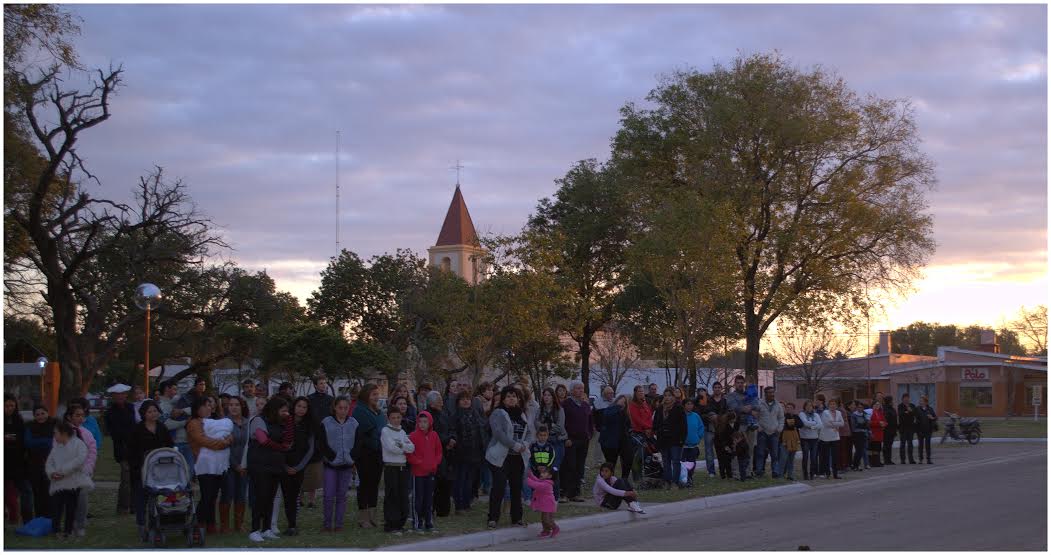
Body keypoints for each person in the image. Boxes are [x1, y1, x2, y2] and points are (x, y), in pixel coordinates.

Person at [246, 397, 293, 542]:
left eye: (287, 410)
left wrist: (289, 420)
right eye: (283, 410)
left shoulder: (282, 423)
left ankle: (266, 528)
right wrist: (282, 448)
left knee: (270, 498)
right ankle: (254, 529)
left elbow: (288, 440)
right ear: (274, 409)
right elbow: (263, 440)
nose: (285, 413)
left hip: (275, 465)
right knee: (260, 496)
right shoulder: (259, 420)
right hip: (260, 464)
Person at [485, 386, 533, 529]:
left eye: (514, 396)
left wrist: (525, 444)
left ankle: (517, 518)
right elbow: (499, 434)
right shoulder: (498, 413)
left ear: (518, 399)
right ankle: (493, 518)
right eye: (508, 396)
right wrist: (515, 445)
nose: (511, 399)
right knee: (499, 487)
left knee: (516, 487)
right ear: (504, 399)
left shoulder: (522, 414)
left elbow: (530, 433)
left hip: (517, 458)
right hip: (500, 457)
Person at [127, 400, 174, 538]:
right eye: (150, 411)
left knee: (159, 496)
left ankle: (157, 523)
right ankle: (141, 524)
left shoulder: (162, 427)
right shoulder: (137, 429)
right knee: (142, 498)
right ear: (144, 414)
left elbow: (170, 445)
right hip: (141, 469)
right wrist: (137, 466)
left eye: (155, 411)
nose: (153, 414)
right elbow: (131, 450)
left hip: (160, 469)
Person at [187, 396, 234, 534]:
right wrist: (222, 444)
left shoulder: (213, 421)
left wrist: (228, 439)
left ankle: (211, 524)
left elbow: (227, 434)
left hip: (218, 465)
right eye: (206, 405)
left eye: (210, 405)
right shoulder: (194, 423)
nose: (210, 408)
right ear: (198, 408)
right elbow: (202, 440)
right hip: (204, 465)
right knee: (207, 495)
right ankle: (199, 523)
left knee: (213, 496)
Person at [318, 396, 357, 532]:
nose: (343, 410)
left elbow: (358, 443)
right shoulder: (326, 422)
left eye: (345, 408)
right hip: (331, 465)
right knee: (328, 495)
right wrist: (331, 456)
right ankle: (327, 524)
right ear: (334, 407)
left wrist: (352, 456)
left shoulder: (354, 423)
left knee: (342, 495)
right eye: (340, 407)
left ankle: (339, 524)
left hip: (346, 465)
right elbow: (321, 443)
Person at [46, 421, 91, 538]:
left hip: (73, 482)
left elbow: (79, 461)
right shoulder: (56, 447)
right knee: (56, 507)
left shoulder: (79, 444)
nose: (54, 436)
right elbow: (49, 462)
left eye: (55, 433)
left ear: (64, 433)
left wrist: (62, 472)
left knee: (71, 508)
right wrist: (52, 473)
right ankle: (56, 530)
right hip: (57, 483)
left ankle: (68, 531)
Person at [278, 397, 314, 536]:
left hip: (299, 466)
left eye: (304, 407)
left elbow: (310, 449)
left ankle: (293, 525)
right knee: (287, 497)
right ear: (294, 407)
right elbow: (279, 445)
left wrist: (299, 467)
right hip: (284, 465)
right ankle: (287, 523)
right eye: (299, 406)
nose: (301, 409)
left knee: (295, 496)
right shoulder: (285, 423)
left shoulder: (308, 425)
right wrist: (285, 465)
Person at [352, 384, 385, 529]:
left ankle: (372, 516)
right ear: (366, 395)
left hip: (378, 452)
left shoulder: (379, 411)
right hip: (365, 453)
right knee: (365, 485)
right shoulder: (359, 410)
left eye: (377, 394)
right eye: (373, 394)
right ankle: (363, 518)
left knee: (374, 485)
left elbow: (383, 427)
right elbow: (364, 431)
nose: (376, 397)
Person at [63, 403, 98, 537]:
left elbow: (92, 451)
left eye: (82, 415)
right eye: (77, 415)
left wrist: (88, 468)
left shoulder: (86, 433)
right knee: (69, 501)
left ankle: (81, 525)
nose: (80, 418)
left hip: (83, 472)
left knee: (82, 499)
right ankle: (70, 525)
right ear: (69, 417)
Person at [380, 407, 415, 534]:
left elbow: (411, 447)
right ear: (388, 418)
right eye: (393, 417)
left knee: (402, 496)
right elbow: (391, 448)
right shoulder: (385, 431)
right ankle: (390, 524)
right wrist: (403, 448)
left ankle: (400, 523)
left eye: (398, 417)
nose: (396, 420)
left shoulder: (402, 432)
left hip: (402, 467)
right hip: (391, 467)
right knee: (392, 496)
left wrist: (401, 446)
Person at [407, 410, 442, 532]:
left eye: (425, 422)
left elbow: (438, 452)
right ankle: (417, 523)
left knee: (429, 498)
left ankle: (429, 522)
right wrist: (419, 463)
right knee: (418, 499)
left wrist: (434, 463)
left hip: (431, 472)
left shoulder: (434, 435)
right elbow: (409, 454)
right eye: (420, 421)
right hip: (418, 473)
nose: (422, 424)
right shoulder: (413, 436)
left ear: (430, 422)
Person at [104, 383, 136, 514]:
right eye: (117, 395)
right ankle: (123, 507)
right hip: (122, 448)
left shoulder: (131, 408)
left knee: (135, 478)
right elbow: (114, 432)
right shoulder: (110, 412)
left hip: (134, 447)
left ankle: (134, 505)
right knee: (126, 479)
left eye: (122, 394)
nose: (120, 397)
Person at [220, 396, 250, 533]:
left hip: (244, 465)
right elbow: (224, 446)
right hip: (228, 465)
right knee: (228, 494)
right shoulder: (224, 423)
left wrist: (243, 465)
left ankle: (239, 524)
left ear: (242, 406)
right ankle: (225, 525)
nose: (233, 407)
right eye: (231, 405)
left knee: (241, 494)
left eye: (237, 404)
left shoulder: (247, 423)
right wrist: (235, 465)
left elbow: (249, 445)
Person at [561, 382, 593, 502]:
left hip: (584, 440)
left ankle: (576, 492)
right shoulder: (566, 404)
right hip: (570, 440)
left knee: (580, 467)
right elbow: (562, 422)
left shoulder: (585, 405)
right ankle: (565, 493)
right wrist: (566, 438)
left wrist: (589, 434)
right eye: (578, 388)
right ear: (572, 390)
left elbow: (590, 421)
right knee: (569, 466)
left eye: (582, 388)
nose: (580, 390)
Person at [423, 391, 453, 518]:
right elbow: (431, 433)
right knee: (434, 482)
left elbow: (451, 427)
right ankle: (431, 508)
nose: (442, 401)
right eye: (439, 399)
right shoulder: (426, 415)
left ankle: (443, 510)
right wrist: (446, 440)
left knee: (445, 481)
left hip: (446, 452)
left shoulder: (444, 413)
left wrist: (452, 439)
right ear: (432, 402)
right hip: (433, 452)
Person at [532, 387, 566, 501]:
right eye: (545, 395)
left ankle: (555, 496)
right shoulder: (540, 410)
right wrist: (546, 428)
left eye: (549, 395)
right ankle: (541, 495)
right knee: (542, 468)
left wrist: (547, 427)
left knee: (554, 468)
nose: (546, 397)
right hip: (544, 443)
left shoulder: (559, 409)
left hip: (557, 442)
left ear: (553, 397)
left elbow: (560, 427)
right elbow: (536, 423)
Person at [4, 394, 32, 525]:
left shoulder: (19, 421)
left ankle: (27, 519)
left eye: (12, 406)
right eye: (6, 405)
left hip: (19, 463)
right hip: (4, 463)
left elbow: (23, 441)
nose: (9, 408)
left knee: (26, 491)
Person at [26, 405, 56, 519]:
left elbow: (54, 442)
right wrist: (46, 441)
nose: (40, 416)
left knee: (50, 491)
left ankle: (51, 517)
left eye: (43, 413)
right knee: (37, 492)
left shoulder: (55, 424)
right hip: (34, 464)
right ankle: (39, 517)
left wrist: (38, 442)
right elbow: (29, 443)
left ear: (47, 413)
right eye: (37, 414)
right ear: (34, 416)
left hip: (52, 463)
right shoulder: (30, 426)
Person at [652, 390, 686, 489]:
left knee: (676, 461)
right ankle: (667, 481)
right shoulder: (660, 409)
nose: (667, 398)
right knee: (665, 461)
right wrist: (659, 430)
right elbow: (655, 424)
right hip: (663, 439)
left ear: (673, 397)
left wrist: (682, 439)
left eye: (669, 395)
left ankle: (675, 482)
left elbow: (683, 426)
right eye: (665, 395)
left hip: (675, 439)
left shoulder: (678, 408)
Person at [725, 375, 756, 478]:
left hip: (750, 426)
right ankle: (736, 473)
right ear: (734, 384)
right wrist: (743, 409)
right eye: (738, 382)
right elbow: (733, 407)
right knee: (737, 449)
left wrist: (751, 408)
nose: (740, 384)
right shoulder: (730, 396)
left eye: (742, 382)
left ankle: (748, 472)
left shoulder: (749, 394)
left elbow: (757, 405)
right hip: (738, 426)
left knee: (750, 449)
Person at [598, 395, 633, 479]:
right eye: (622, 401)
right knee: (611, 462)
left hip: (623, 440)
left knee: (628, 459)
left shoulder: (625, 412)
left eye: (625, 402)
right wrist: (618, 405)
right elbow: (607, 416)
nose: (623, 403)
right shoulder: (610, 409)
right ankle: (609, 480)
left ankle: (624, 479)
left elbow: (628, 425)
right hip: (609, 441)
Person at [754, 386, 784, 478]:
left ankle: (775, 472)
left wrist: (779, 429)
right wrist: (758, 427)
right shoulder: (760, 404)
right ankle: (759, 471)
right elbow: (755, 417)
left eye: (773, 392)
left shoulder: (778, 405)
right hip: (762, 432)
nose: (772, 394)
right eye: (769, 392)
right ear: (765, 394)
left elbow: (781, 418)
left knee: (775, 454)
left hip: (774, 433)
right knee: (760, 454)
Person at [697, 383, 726, 478]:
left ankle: (723, 470)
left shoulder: (725, 400)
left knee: (722, 450)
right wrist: (710, 417)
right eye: (715, 388)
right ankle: (711, 471)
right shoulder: (708, 400)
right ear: (713, 389)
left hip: (721, 429)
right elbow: (701, 413)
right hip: (709, 428)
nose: (717, 389)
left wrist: (721, 418)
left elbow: (728, 412)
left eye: (719, 387)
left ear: (721, 389)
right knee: (709, 451)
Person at [526, 465, 558, 538]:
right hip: (545, 504)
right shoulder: (544, 481)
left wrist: (525, 479)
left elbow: (535, 484)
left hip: (549, 505)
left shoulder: (546, 484)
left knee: (547, 520)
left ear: (550, 476)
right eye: (542, 472)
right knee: (543, 519)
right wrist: (529, 474)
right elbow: (536, 480)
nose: (541, 474)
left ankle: (555, 528)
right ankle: (546, 531)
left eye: (544, 473)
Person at [797, 400, 822, 481]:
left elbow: (820, 425)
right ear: (804, 407)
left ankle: (812, 473)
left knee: (814, 458)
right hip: (805, 439)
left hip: (814, 438)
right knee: (805, 457)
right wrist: (814, 423)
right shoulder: (801, 414)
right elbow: (805, 423)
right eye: (807, 406)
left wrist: (812, 427)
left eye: (810, 406)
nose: (809, 407)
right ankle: (805, 474)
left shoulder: (816, 414)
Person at [819, 400, 844, 479]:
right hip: (826, 437)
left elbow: (842, 423)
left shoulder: (839, 413)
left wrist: (833, 423)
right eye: (831, 404)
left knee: (835, 456)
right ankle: (827, 473)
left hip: (835, 437)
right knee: (826, 456)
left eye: (834, 404)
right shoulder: (825, 413)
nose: (833, 406)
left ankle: (835, 474)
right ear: (828, 405)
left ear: (836, 405)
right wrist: (837, 423)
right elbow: (826, 424)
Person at [682, 398, 704, 486]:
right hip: (683, 446)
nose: (689, 406)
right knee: (683, 463)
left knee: (692, 463)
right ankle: (684, 478)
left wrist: (698, 437)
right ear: (684, 405)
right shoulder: (681, 416)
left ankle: (690, 477)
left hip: (693, 445)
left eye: (691, 404)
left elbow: (701, 427)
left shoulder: (696, 416)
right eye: (687, 404)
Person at [779, 402, 800, 481]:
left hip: (793, 440)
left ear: (793, 409)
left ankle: (790, 475)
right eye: (787, 407)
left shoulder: (796, 416)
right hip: (784, 440)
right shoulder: (782, 417)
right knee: (783, 458)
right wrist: (791, 424)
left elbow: (800, 424)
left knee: (791, 459)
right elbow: (785, 426)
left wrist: (792, 422)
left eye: (790, 408)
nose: (788, 409)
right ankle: (780, 475)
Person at [714, 412, 737, 479]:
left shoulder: (730, 425)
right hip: (721, 445)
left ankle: (726, 474)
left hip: (725, 444)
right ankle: (725, 474)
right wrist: (726, 446)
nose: (735, 420)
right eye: (734, 418)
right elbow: (722, 437)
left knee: (725, 460)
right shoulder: (724, 426)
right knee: (724, 460)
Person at [916, 395, 937, 464]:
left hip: (928, 430)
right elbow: (914, 418)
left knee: (928, 445)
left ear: (926, 402)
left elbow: (935, 417)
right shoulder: (917, 409)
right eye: (920, 401)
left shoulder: (930, 409)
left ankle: (928, 459)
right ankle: (920, 459)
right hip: (920, 430)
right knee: (920, 445)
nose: (920, 402)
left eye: (922, 401)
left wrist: (932, 418)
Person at [898, 394, 918, 464]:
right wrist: (907, 412)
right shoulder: (900, 406)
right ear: (902, 399)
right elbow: (900, 414)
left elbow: (915, 414)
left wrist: (910, 411)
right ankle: (903, 460)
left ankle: (911, 459)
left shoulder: (912, 405)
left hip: (911, 428)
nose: (906, 399)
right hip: (903, 428)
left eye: (908, 398)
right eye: (905, 398)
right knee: (902, 444)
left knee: (910, 444)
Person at [849, 401, 868, 471]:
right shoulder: (853, 415)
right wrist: (862, 425)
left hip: (863, 433)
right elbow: (854, 426)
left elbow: (867, 424)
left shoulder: (864, 414)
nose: (860, 409)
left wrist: (863, 425)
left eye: (862, 407)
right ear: (856, 408)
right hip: (856, 434)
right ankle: (855, 465)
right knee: (858, 450)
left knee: (861, 450)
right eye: (859, 407)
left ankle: (856, 465)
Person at [868, 401, 888, 468]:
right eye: (876, 404)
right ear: (873, 405)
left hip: (879, 433)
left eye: (879, 404)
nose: (877, 406)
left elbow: (885, 421)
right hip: (873, 433)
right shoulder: (870, 413)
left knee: (878, 448)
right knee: (872, 448)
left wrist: (884, 424)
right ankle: (872, 462)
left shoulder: (880, 413)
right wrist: (879, 423)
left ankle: (877, 461)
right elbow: (869, 422)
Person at [881, 396, 898, 466]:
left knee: (889, 445)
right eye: (892, 401)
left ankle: (889, 459)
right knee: (886, 445)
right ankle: (886, 460)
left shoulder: (892, 409)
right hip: (887, 430)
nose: (893, 402)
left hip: (892, 430)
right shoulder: (885, 409)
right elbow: (886, 419)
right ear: (889, 401)